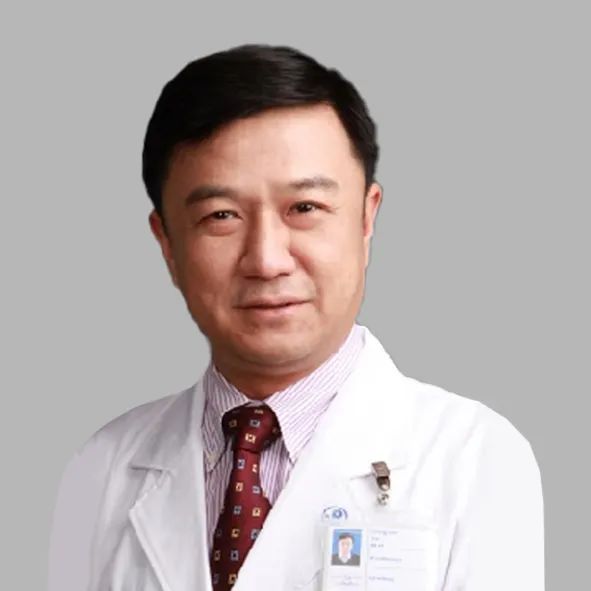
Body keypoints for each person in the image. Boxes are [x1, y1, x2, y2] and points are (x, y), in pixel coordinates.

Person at [47, 44, 544, 591]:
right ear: (167, 242)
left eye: (304, 208)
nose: (266, 259)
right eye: (221, 216)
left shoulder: (480, 461)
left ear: (365, 218)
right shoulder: (101, 470)